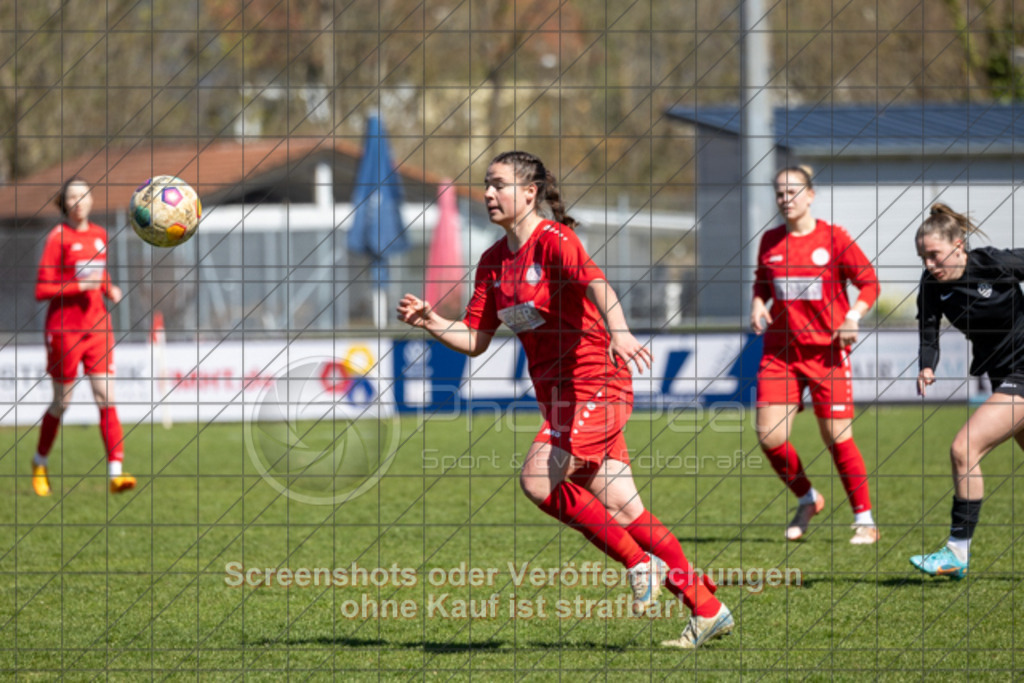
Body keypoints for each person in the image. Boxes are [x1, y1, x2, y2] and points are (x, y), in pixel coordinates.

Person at [397, 151, 733, 648]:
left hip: (597, 382)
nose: (488, 194)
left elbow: (599, 283)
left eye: (498, 186)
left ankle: (639, 563)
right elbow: (474, 339)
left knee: (539, 478)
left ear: (529, 193)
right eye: (486, 186)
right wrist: (432, 322)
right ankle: (708, 609)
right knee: (623, 507)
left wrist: (619, 333)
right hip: (560, 400)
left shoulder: (555, 241)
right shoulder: (492, 262)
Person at [750, 166, 881, 544]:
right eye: (779, 193)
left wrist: (853, 315)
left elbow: (869, 282)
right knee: (770, 437)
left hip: (827, 354)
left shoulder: (833, 238)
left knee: (837, 438)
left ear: (810, 195)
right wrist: (758, 303)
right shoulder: (771, 240)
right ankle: (808, 498)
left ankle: (865, 520)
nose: (785, 199)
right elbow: (762, 281)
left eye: (792, 191)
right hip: (780, 353)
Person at [911, 203, 1023, 579]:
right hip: (1000, 372)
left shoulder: (994, 263)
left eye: (934, 254)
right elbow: (929, 331)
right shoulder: (931, 285)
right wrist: (928, 365)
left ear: (959, 246)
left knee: (964, 447)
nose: (929, 264)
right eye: (923, 256)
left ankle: (956, 552)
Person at [32, 178, 136, 496]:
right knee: (62, 402)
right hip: (65, 329)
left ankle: (116, 473)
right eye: (72, 196)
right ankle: (39, 462)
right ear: (64, 204)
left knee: (106, 397)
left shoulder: (100, 234)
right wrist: (80, 287)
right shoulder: (57, 237)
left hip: (98, 327)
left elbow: (97, 273)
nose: (79, 201)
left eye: (83, 194)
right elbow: (41, 289)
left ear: (91, 199)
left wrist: (109, 287)